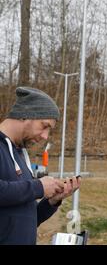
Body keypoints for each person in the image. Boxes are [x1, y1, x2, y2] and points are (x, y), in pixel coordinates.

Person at [0, 87, 81, 245]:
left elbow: (26, 220)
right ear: (25, 114)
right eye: (44, 126)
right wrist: (38, 187)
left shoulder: (20, 155)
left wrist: (51, 201)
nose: (45, 136)